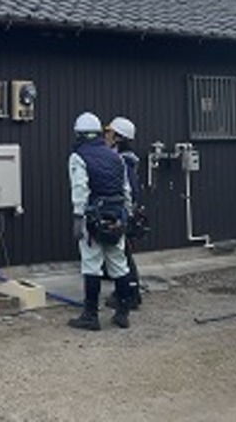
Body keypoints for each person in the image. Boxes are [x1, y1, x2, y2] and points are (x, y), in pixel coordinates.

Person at [68, 111, 134, 331]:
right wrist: (127, 214)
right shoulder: (116, 157)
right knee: (119, 263)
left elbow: (80, 189)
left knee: (91, 264)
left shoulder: (78, 157)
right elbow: (126, 189)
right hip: (117, 216)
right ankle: (123, 313)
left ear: (78, 134)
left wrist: (78, 217)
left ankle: (90, 315)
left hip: (93, 217)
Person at [105, 116, 144, 310]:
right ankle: (131, 293)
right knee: (124, 253)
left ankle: (130, 295)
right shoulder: (128, 159)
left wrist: (126, 214)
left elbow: (130, 190)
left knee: (123, 255)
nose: (106, 136)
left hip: (123, 213)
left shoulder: (123, 161)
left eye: (109, 133)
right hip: (127, 211)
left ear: (118, 138)